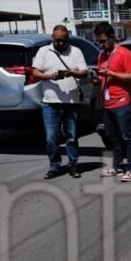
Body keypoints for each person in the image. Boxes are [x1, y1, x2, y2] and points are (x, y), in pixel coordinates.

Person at [32, 25, 88, 179]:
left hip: (71, 101)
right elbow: (35, 72)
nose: (61, 43)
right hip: (50, 102)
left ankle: (73, 165)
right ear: (52, 38)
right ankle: (54, 166)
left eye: (64, 40)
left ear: (68, 39)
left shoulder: (76, 51)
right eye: (58, 40)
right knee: (51, 137)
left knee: (72, 136)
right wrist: (50, 76)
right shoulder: (44, 51)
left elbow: (84, 72)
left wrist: (73, 73)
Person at [92, 22, 131, 182]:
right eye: (99, 41)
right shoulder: (102, 55)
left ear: (112, 37)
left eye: (104, 41)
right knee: (112, 137)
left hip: (122, 101)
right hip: (107, 102)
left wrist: (111, 73)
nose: (102, 44)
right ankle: (117, 166)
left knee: (126, 136)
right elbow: (102, 76)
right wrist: (97, 79)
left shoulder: (124, 53)